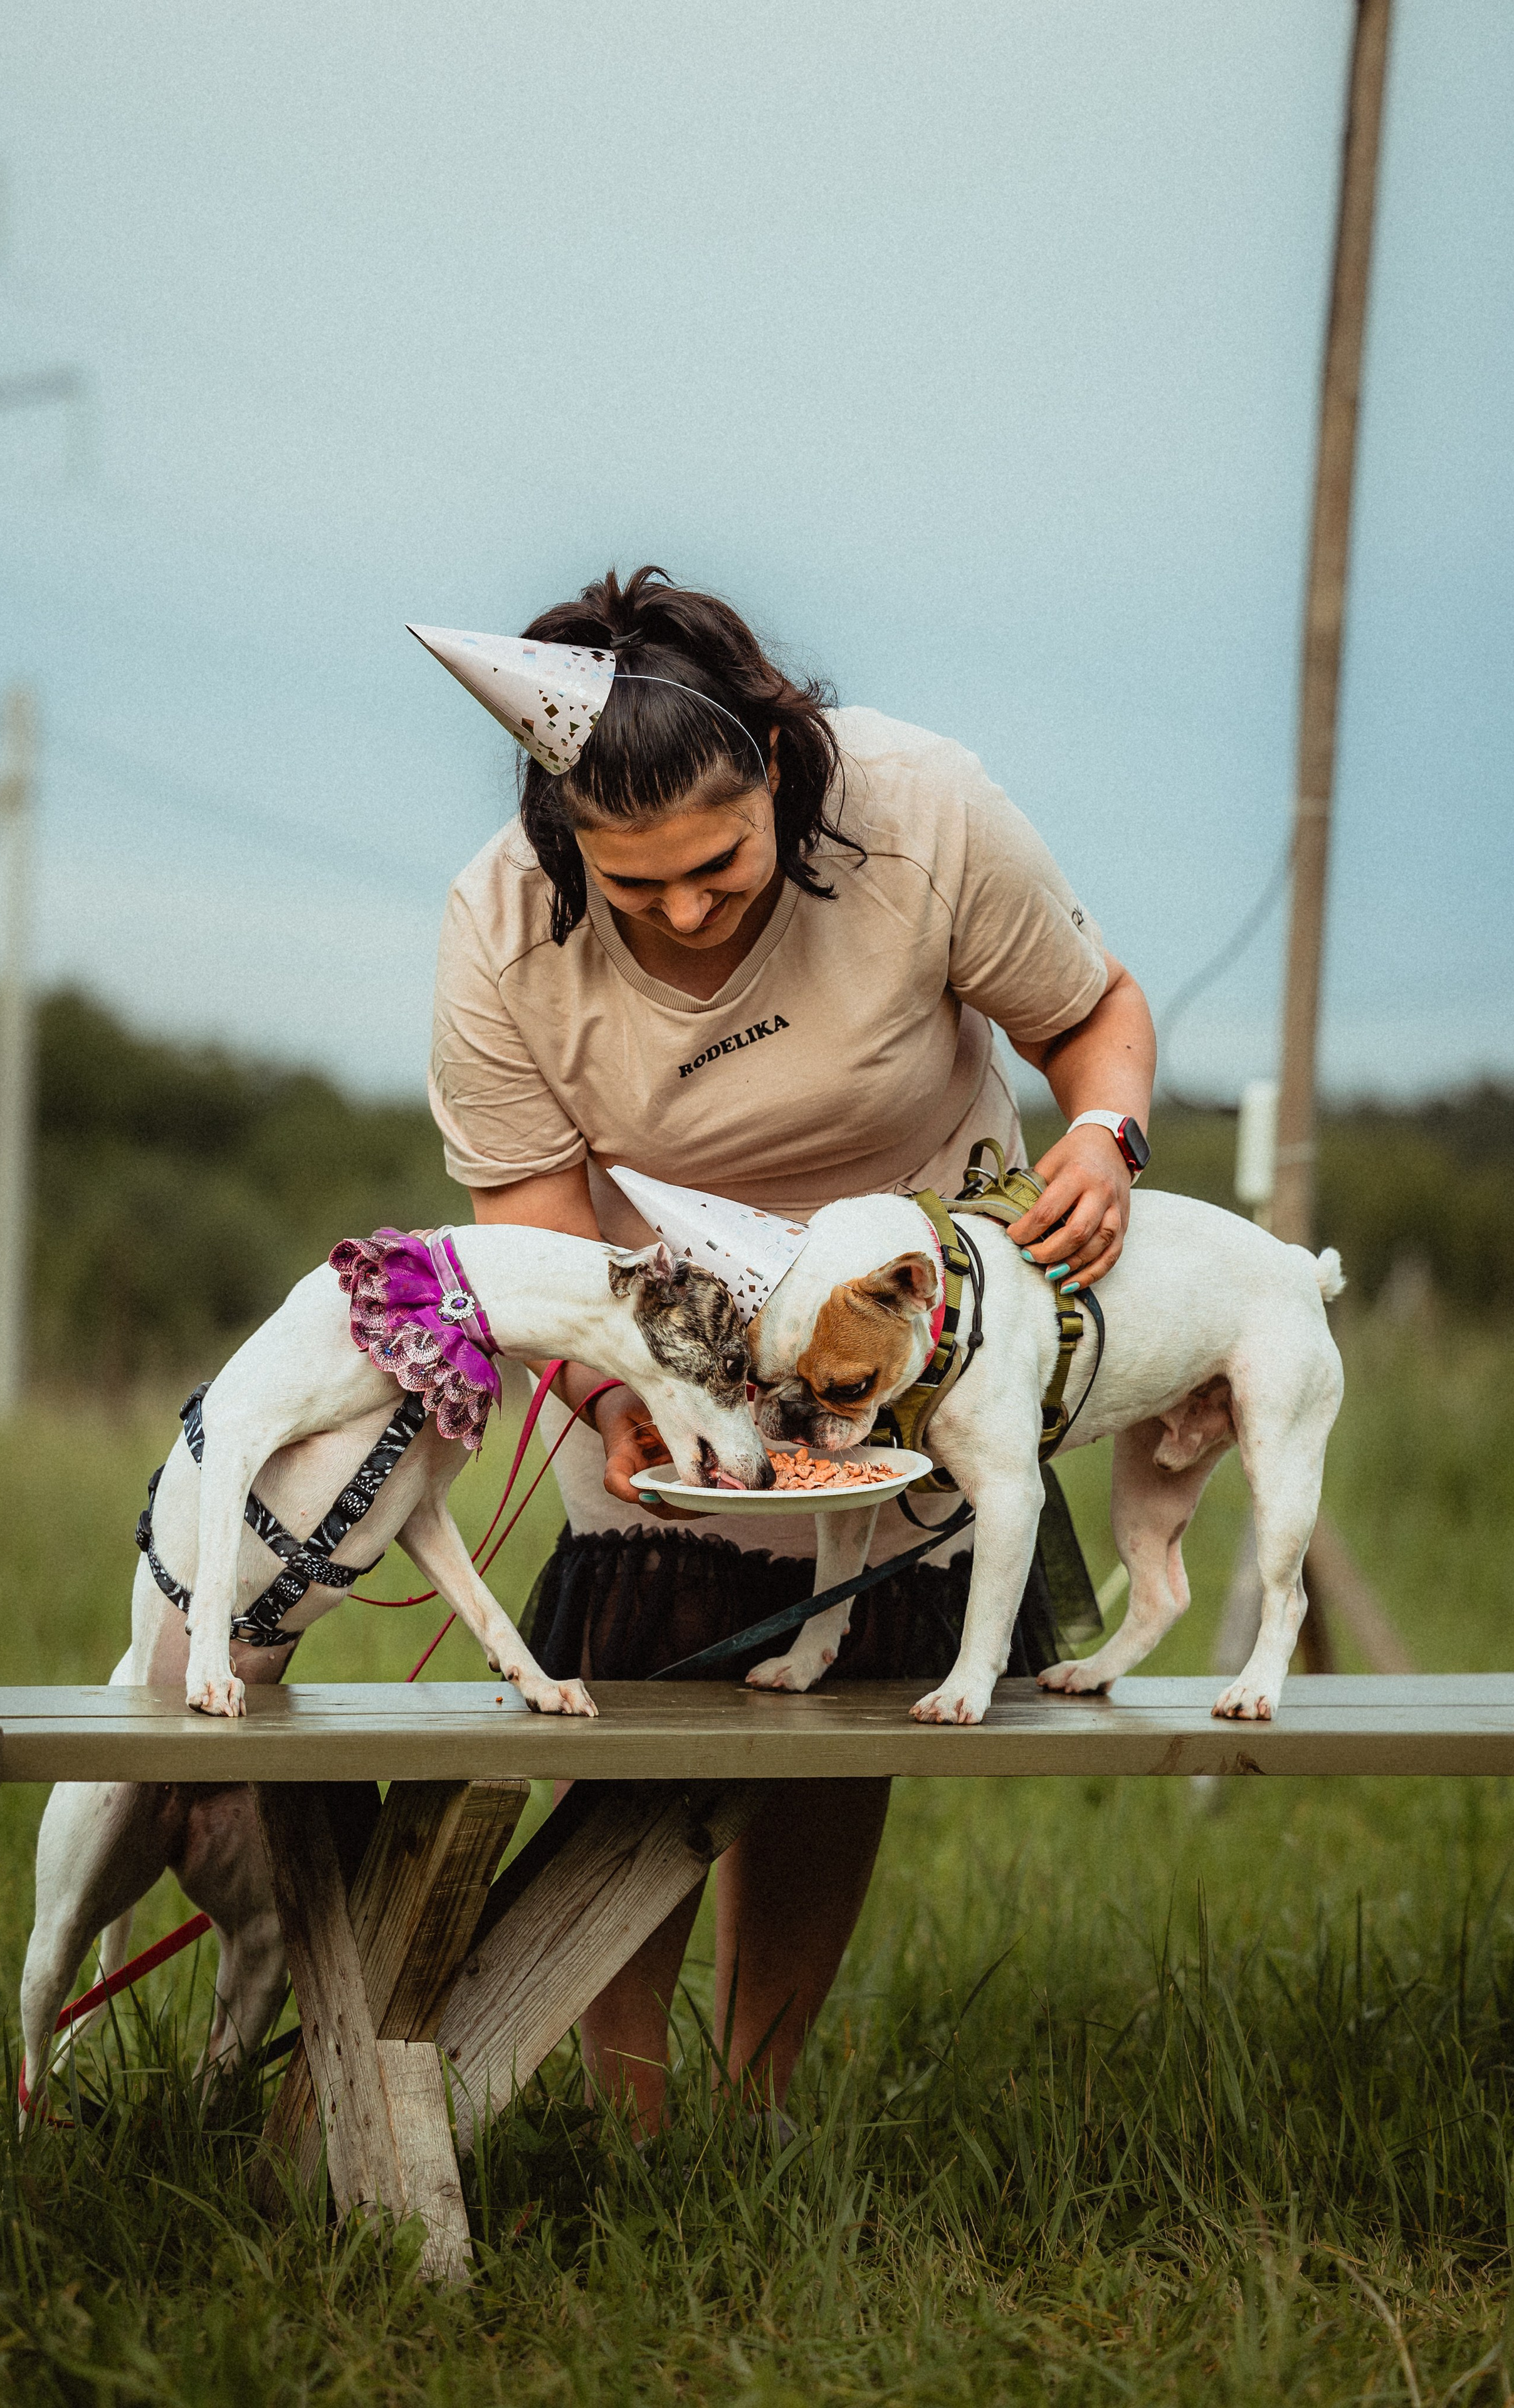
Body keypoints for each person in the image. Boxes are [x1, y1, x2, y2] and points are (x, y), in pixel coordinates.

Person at [427, 565, 1155, 2131]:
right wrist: (616, 1396)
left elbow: (1087, 1014)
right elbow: (538, 1227)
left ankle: (757, 2100)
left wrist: (1102, 1138)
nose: (686, 911)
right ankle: (631, 2119)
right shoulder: (494, 929)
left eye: (717, 864)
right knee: (636, 1667)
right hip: (650, 1317)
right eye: (637, 891)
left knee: (844, 1690)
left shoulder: (923, 810)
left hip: (909, 1313)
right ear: (564, 854)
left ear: (774, 754)